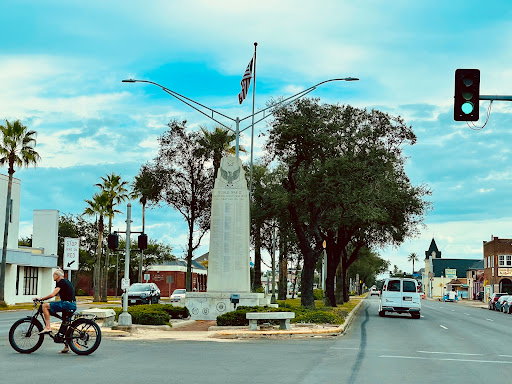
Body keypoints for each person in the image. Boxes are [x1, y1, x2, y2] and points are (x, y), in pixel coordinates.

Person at [33, 268, 76, 353]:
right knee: (65, 324)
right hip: (72, 304)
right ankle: (67, 346)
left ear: (57, 276)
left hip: (66, 304)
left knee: (44, 306)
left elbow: (53, 294)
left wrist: (41, 298)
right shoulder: (67, 282)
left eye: (54, 275)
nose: (53, 276)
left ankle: (48, 327)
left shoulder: (61, 282)